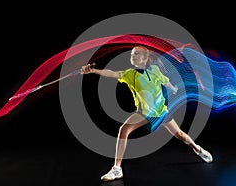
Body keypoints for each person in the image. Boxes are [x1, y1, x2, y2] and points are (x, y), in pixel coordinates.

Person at [81, 45, 213, 182]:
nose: (132, 56)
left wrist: (173, 88)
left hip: (161, 112)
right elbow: (113, 73)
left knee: (179, 134)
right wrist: (93, 70)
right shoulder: (129, 74)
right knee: (124, 130)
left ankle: (198, 149)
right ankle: (117, 169)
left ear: (145, 58)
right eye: (131, 54)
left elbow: (164, 81)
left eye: (136, 54)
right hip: (144, 113)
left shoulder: (155, 70)